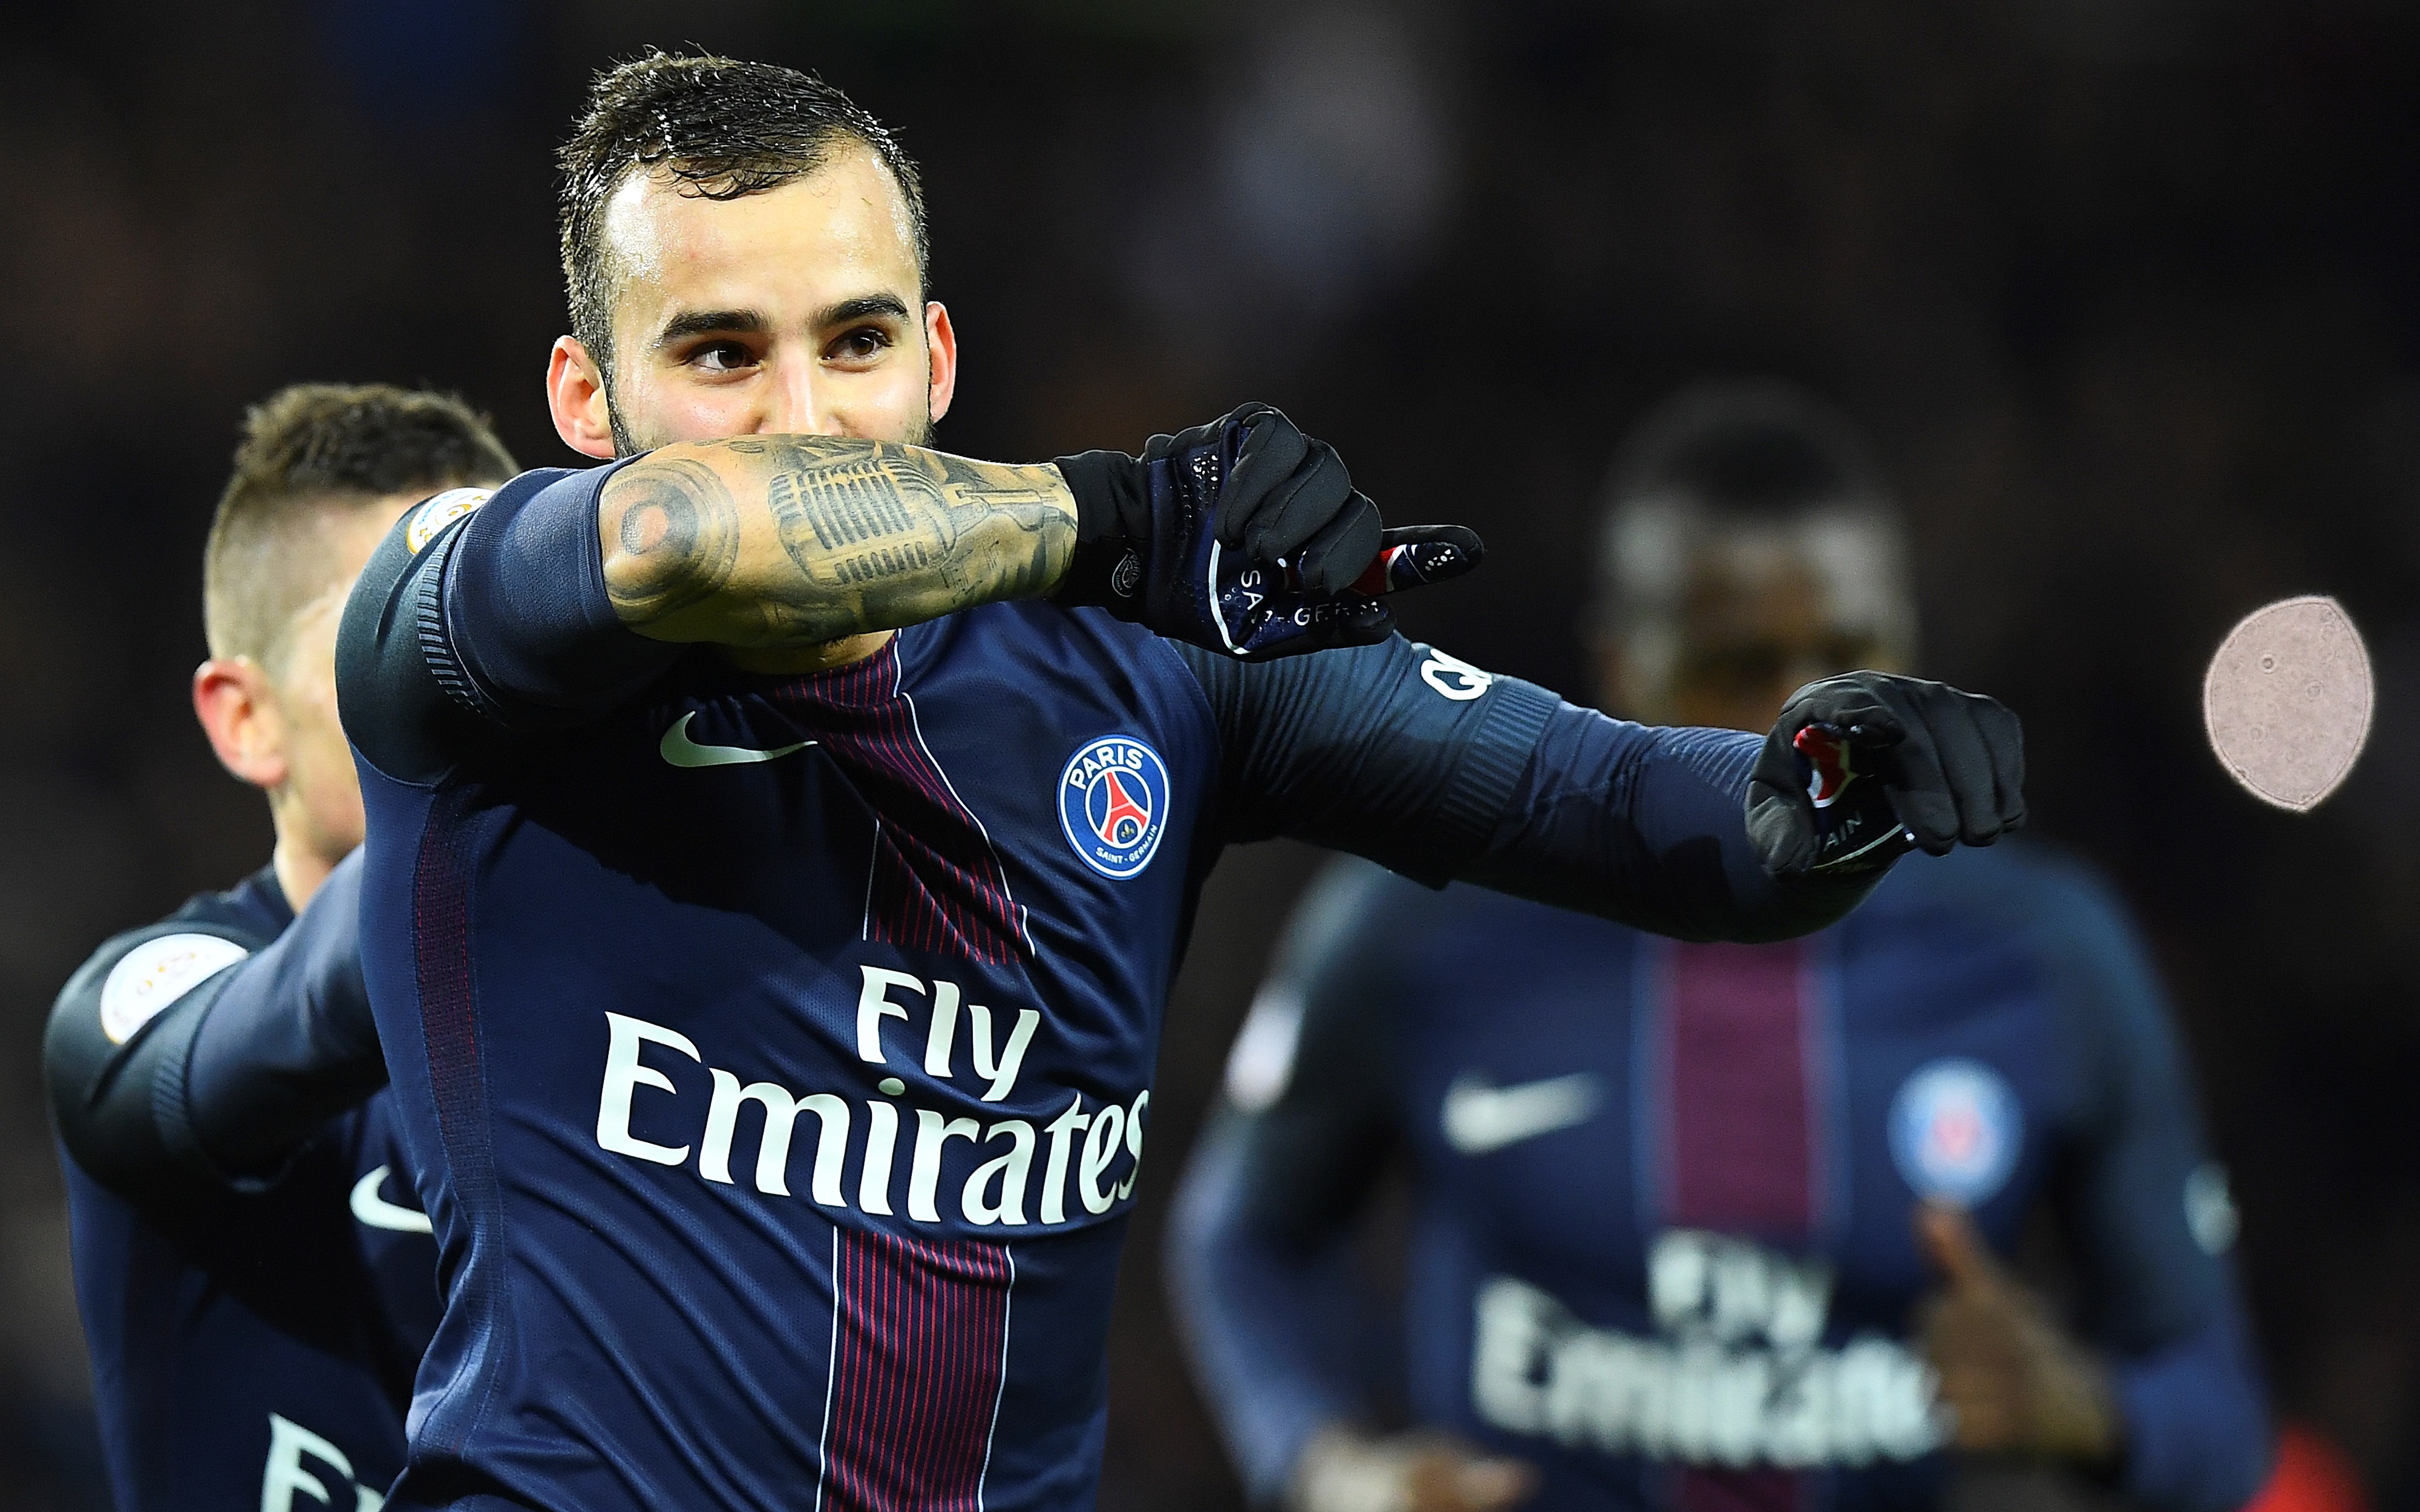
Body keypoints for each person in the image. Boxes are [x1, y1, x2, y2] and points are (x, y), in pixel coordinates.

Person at [333, 57, 2025, 1512]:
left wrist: (1821, 794)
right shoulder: (455, 635)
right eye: (720, 355)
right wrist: (1121, 516)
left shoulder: (1142, 674)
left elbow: (1618, 806)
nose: (804, 416)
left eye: (853, 342)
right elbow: (688, 535)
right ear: (583, 397)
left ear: (935, 362)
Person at [1165, 381, 2272, 1512]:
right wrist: (1329, 1465)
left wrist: (2094, 1411)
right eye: (1741, 665)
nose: (1811, 720)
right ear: (1622, 671)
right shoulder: (1426, 910)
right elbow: (1243, 1239)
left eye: (1850, 650)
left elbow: (2220, 1416)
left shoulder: (2047, 955)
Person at [45, 384, 517, 1511]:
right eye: (398, 639)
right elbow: (252, 1036)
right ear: (245, 718)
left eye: (496, 629)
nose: (468, 686)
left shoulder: (625, 1002)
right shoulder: (149, 998)